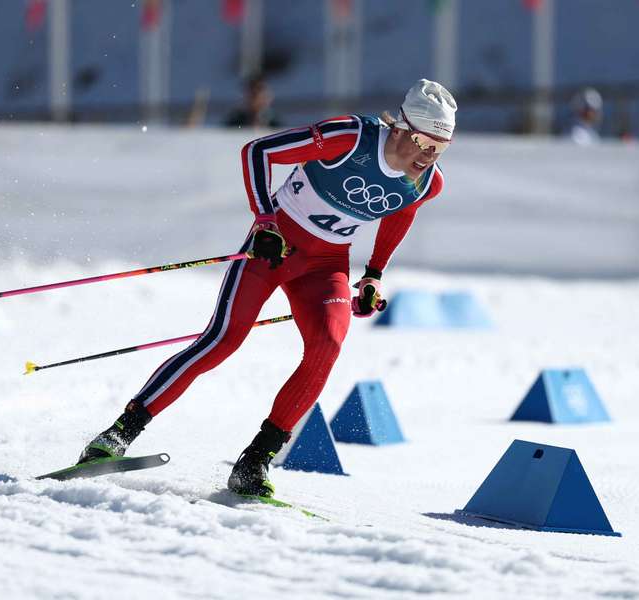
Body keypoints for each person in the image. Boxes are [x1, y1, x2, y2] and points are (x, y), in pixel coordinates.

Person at [80, 79, 457, 498]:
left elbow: (400, 214)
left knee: (327, 346)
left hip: (327, 264)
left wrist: (373, 273)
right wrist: (265, 220)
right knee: (223, 340)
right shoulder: (349, 137)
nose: (429, 155)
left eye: (441, 147)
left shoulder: (427, 182)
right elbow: (258, 152)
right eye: (425, 142)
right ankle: (118, 434)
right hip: (274, 248)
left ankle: (254, 462)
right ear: (402, 128)